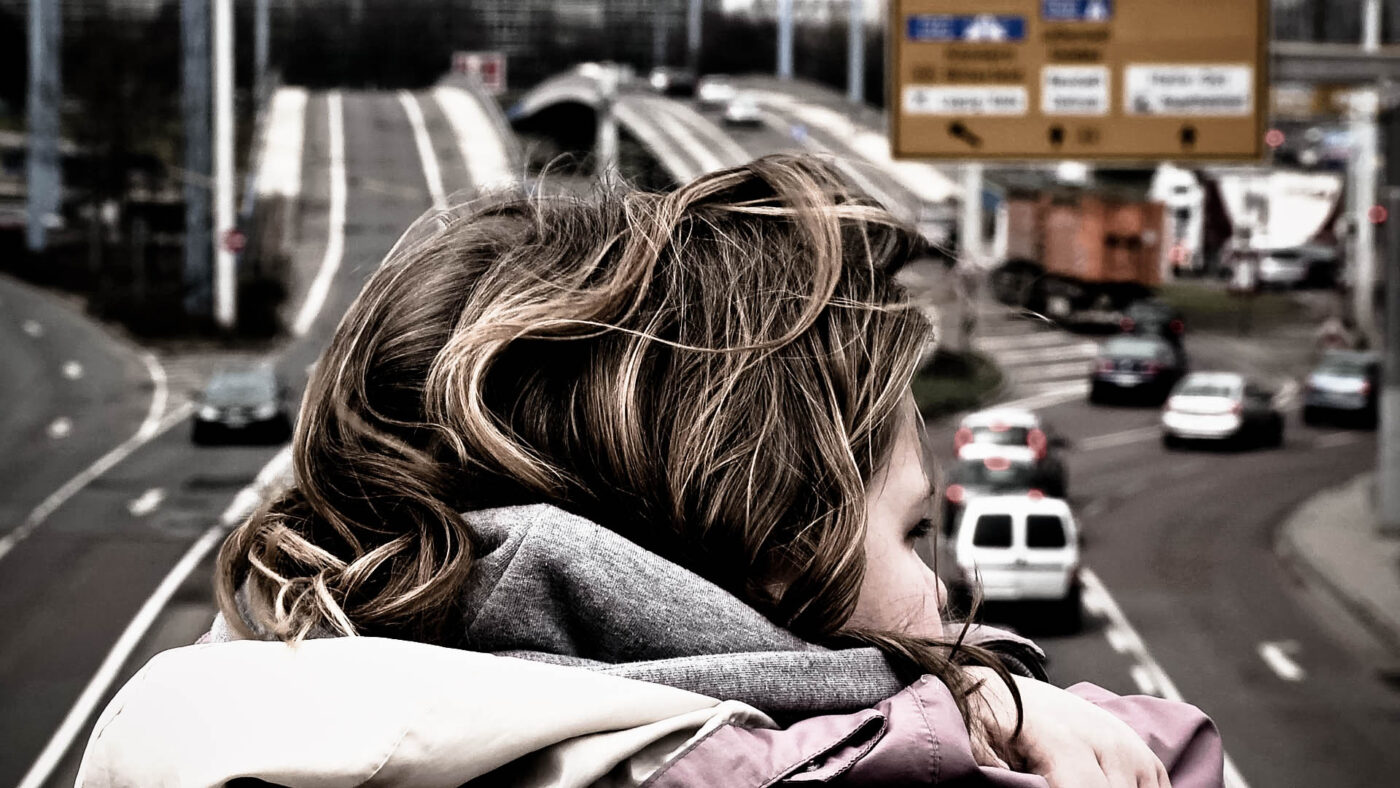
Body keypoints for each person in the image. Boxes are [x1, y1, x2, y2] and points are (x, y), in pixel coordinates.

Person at [77, 157, 1221, 787]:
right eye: (909, 532)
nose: (945, 596)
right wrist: (940, 724)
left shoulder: (203, 727)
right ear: (779, 552)